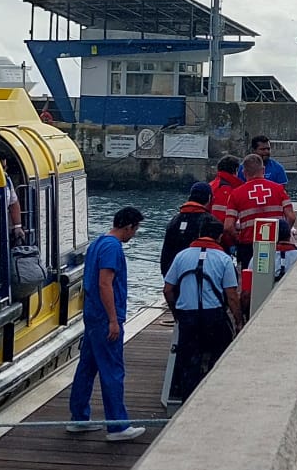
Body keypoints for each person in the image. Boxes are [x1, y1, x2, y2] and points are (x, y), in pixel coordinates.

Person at [69, 207, 146, 441]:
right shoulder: (113, 248)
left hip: (92, 315)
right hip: (105, 317)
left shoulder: (97, 243)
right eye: (135, 229)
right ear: (128, 226)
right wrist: (114, 320)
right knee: (112, 369)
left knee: (87, 367)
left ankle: (78, 418)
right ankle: (118, 425)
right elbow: (106, 284)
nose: (134, 234)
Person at [162, 218, 241, 403]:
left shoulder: (181, 256)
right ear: (220, 237)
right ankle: (213, 397)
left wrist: (176, 314)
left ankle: (187, 399)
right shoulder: (224, 259)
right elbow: (231, 296)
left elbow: (167, 289)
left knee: (189, 360)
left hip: (188, 316)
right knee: (219, 354)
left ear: (198, 234)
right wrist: (238, 321)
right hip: (213, 316)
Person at [228, 152, 294, 269]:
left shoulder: (235, 194)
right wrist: (283, 234)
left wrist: (239, 239)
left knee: (250, 279)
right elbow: (291, 217)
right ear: (263, 170)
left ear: (244, 173)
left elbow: (228, 226)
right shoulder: (278, 189)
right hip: (274, 242)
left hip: (249, 244)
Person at [160, 182, 216, 274]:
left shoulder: (174, 221)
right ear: (209, 198)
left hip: (173, 274)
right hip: (197, 277)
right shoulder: (210, 221)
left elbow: (165, 254)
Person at [208, 155, 243, 229]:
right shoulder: (226, 189)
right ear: (236, 170)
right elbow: (221, 219)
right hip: (222, 237)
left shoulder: (212, 185)